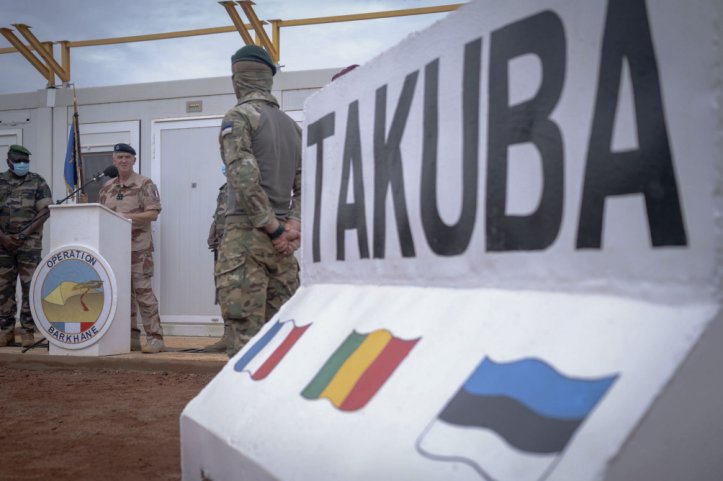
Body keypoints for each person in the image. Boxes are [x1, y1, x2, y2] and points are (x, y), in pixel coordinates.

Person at [216, 44, 302, 357]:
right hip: (284, 250)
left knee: (245, 340)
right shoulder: (293, 127)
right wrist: (291, 225)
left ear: (238, 78)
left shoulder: (238, 117)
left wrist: (272, 228)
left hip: (246, 240)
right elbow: (305, 185)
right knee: (283, 336)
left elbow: (243, 178)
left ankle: (241, 406)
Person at [98, 143, 164, 353]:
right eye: (120, 157)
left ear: (134, 160)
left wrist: (125, 217)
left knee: (143, 294)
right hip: (114, 250)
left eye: (128, 157)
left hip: (138, 249)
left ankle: (155, 338)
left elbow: (153, 213)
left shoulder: (144, 183)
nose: (124, 160)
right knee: (122, 295)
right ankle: (130, 338)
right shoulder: (107, 187)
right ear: (113, 160)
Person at [0, 145, 52, 347]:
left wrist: (23, 234)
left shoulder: (37, 181)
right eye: (18, 160)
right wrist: (4, 238)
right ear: (8, 162)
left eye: (26, 161)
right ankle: (6, 331)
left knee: (31, 287)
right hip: (2, 245)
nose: (22, 164)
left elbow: (45, 211)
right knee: (4, 288)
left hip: (29, 245)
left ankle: (28, 331)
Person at [205, 170, 231, 352]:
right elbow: (220, 215)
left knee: (237, 290)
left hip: (237, 246)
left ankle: (240, 337)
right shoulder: (225, 188)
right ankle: (228, 336)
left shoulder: (251, 183)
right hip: (222, 247)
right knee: (224, 290)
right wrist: (213, 231)